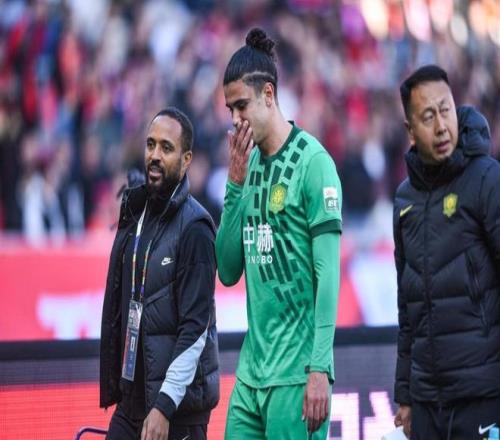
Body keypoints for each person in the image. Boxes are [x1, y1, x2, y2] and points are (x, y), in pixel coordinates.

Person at [216, 28, 342, 439]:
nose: (235, 120)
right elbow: (227, 271)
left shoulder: (313, 163)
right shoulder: (246, 167)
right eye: (230, 109)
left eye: (241, 106)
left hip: (297, 376)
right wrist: (234, 186)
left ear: (268, 94)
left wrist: (319, 368)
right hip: (250, 376)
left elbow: (328, 276)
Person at [393, 65, 500, 440]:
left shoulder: (487, 179)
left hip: (483, 394)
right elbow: (406, 306)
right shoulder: (404, 200)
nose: (441, 126)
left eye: (446, 110)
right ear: (410, 130)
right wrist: (406, 394)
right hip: (427, 402)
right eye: (427, 117)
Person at [99, 107, 219, 440]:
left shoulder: (196, 228)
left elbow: (195, 327)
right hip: (132, 404)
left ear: (186, 159)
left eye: (166, 148)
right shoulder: (135, 213)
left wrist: (164, 406)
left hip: (176, 412)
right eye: (150, 144)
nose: (154, 155)